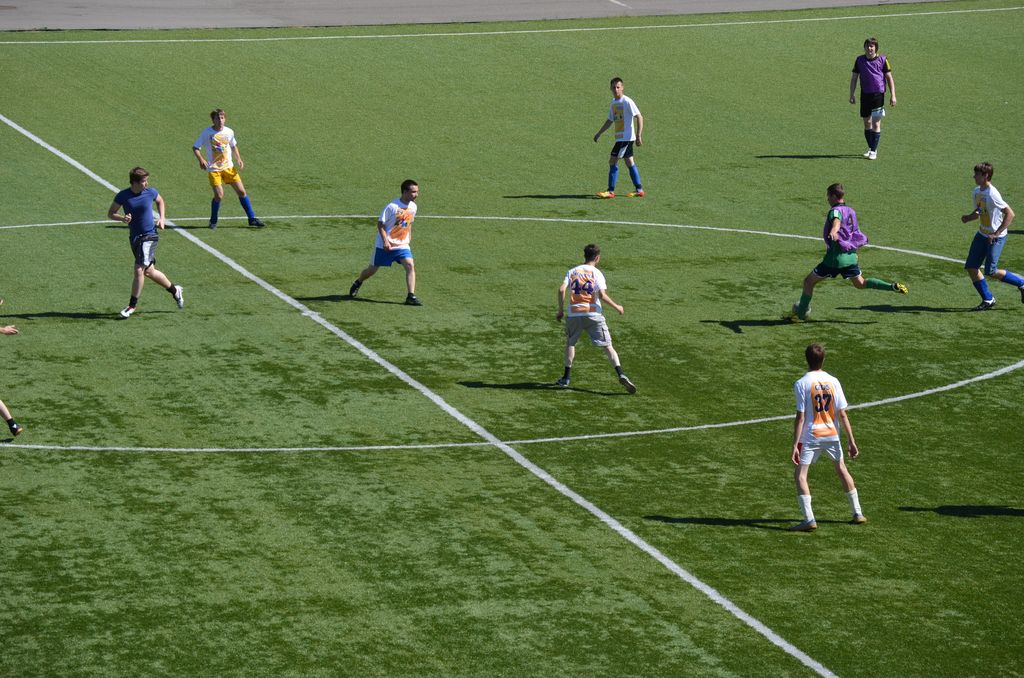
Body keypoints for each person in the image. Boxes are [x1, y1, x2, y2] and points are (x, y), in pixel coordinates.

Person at [789, 183, 908, 322]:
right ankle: (892, 287)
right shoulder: (851, 211)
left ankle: (800, 315)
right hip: (851, 257)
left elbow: (836, 221)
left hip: (835, 259)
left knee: (808, 282)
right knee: (860, 284)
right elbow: (854, 233)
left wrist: (834, 231)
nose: (827, 199)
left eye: (828, 196)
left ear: (834, 196)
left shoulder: (835, 211)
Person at [790, 343, 865, 532]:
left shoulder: (801, 383)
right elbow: (843, 414)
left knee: (800, 475)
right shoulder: (834, 381)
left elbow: (800, 417)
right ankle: (857, 513)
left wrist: (795, 445)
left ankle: (809, 519)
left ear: (806, 359)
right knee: (842, 469)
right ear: (823, 359)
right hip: (832, 434)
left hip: (811, 436)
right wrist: (851, 441)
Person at [555, 243, 636, 393]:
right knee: (608, 346)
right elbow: (602, 295)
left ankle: (566, 378)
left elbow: (561, 290)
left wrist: (560, 310)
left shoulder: (572, 271)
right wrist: (617, 306)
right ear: (597, 258)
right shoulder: (597, 273)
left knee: (570, 343)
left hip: (574, 314)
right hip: (593, 314)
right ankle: (621, 373)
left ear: (584, 256)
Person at [107, 167, 185, 318]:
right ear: (135, 182)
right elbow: (111, 213)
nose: (147, 184)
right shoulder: (123, 195)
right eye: (144, 181)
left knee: (139, 270)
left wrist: (162, 218)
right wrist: (122, 218)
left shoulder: (150, 192)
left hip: (150, 236)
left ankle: (131, 306)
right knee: (149, 271)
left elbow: (160, 201)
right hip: (135, 238)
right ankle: (175, 291)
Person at [349, 180, 422, 306]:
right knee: (371, 270)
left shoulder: (413, 207)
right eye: (413, 192)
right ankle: (358, 282)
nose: (416, 195)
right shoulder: (392, 206)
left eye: (417, 192)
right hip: (386, 245)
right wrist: (385, 241)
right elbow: (380, 224)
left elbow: (409, 223)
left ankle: (411, 296)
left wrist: (409, 237)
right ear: (405, 192)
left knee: (410, 265)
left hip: (402, 245)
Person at [959, 162, 1022, 310]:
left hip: (995, 238)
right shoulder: (977, 191)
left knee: (991, 271)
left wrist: (996, 233)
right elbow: (979, 211)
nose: (974, 176)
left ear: (986, 176)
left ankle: (1022, 283)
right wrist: (969, 217)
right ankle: (988, 299)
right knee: (971, 267)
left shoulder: (992, 194)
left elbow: (1010, 214)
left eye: (977, 174)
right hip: (982, 235)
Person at [192, 108, 265, 229]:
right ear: (213, 120)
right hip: (214, 169)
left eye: (222, 118)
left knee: (242, 192)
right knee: (219, 195)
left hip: (229, 167)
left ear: (224, 119)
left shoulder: (229, 131)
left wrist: (239, 159)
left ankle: (252, 219)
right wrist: (201, 160)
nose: (220, 120)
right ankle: (213, 221)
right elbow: (195, 147)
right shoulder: (207, 133)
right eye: (217, 118)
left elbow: (233, 145)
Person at [593, 77, 644, 199]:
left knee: (612, 161)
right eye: (614, 87)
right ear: (610, 88)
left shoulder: (627, 101)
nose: (616, 89)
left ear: (622, 88)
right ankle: (639, 190)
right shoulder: (613, 103)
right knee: (629, 162)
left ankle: (610, 191)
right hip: (621, 138)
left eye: (618, 87)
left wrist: (638, 135)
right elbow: (610, 120)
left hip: (625, 138)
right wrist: (599, 133)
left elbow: (639, 117)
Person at [849, 37, 896, 160]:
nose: (869, 48)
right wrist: (851, 94)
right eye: (867, 46)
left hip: (878, 95)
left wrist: (893, 95)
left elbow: (889, 78)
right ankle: (871, 147)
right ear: (864, 47)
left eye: (872, 46)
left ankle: (874, 151)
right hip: (865, 95)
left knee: (875, 123)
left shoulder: (883, 60)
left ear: (876, 48)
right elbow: (854, 78)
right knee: (867, 123)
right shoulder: (859, 60)